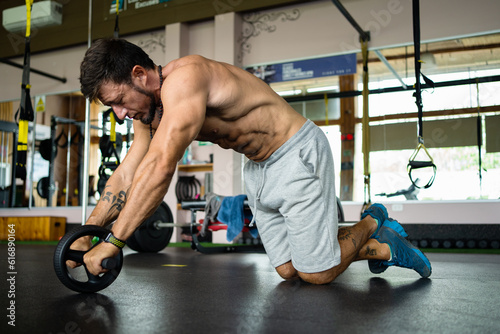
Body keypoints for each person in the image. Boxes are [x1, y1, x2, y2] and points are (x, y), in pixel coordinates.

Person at [73, 38, 431, 284]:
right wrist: (86, 235)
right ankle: (380, 243)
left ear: (139, 74)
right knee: (289, 270)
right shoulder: (147, 112)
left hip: (295, 151)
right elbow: (129, 171)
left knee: (316, 274)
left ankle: (373, 221)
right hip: (257, 167)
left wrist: (114, 242)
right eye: (112, 108)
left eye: (119, 101)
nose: (120, 114)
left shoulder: (184, 80)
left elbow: (161, 166)